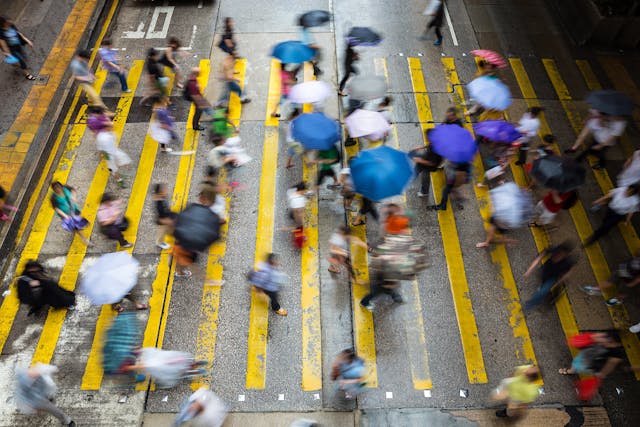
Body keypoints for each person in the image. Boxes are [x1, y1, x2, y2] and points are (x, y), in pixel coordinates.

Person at [521, 242, 575, 311]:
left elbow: (569, 270)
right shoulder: (554, 250)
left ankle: (529, 305)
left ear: (566, 255)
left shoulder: (567, 262)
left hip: (553, 278)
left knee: (543, 291)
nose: (558, 256)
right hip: (545, 271)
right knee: (543, 286)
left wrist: (561, 280)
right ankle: (546, 294)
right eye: (558, 253)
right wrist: (529, 270)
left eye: (562, 255)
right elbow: (540, 257)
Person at [559, 332, 625, 380]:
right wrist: (600, 340)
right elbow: (593, 336)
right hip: (589, 354)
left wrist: (602, 373)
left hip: (592, 363)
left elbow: (611, 364)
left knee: (579, 366)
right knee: (578, 362)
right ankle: (571, 370)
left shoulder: (617, 353)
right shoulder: (608, 336)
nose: (606, 342)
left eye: (610, 342)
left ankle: (569, 371)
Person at [50, 181, 91, 245]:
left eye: (59, 187)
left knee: (78, 220)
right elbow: (56, 208)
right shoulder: (53, 198)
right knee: (75, 227)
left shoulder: (66, 188)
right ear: (54, 190)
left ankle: (79, 226)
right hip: (66, 214)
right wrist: (65, 216)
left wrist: (73, 197)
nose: (58, 189)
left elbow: (73, 190)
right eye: (56, 189)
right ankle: (84, 239)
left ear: (61, 186)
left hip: (74, 209)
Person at [0, 16, 36, 80]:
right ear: (3, 24)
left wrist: (27, 40)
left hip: (18, 45)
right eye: (7, 22)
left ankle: (16, 63)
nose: (10, 22)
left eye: (9, 21)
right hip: (11, 49)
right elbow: (3, 44)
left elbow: (19, 33)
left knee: (23, 56)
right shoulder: (1, 32)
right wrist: (8, 53)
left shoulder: (11, 25)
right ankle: (27, 74)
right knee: (22, 61)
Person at [153, 183, 176, 250]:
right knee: (162, 231)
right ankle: (159, 243)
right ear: (160, 193)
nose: (166, 190)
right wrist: (168, 221)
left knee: (169, 229)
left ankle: (173, 234)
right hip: (163, 221)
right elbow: (160, 218)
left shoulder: (163, 197)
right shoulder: (159, 205)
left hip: (167, 216)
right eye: (164, 190)